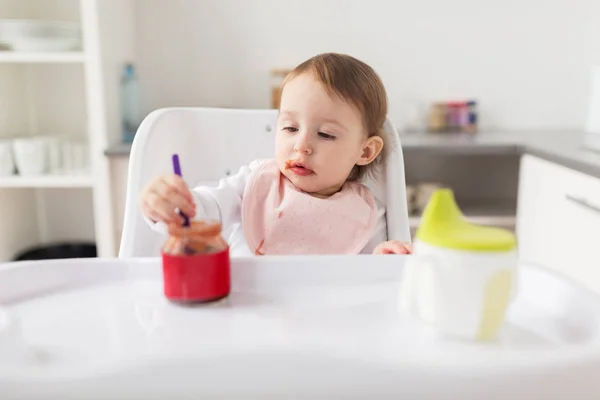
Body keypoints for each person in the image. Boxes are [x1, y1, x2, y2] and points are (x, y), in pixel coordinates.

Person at [140, 52, 412, 256]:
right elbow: (207, 211)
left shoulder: (365, 214)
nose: (301, 145)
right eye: (290, 127)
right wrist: (173, 206)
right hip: (242, 318)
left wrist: (383, 261)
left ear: (364, 151)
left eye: (326, 134)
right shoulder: (255, 184)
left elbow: (367, 284)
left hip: (322, 325)